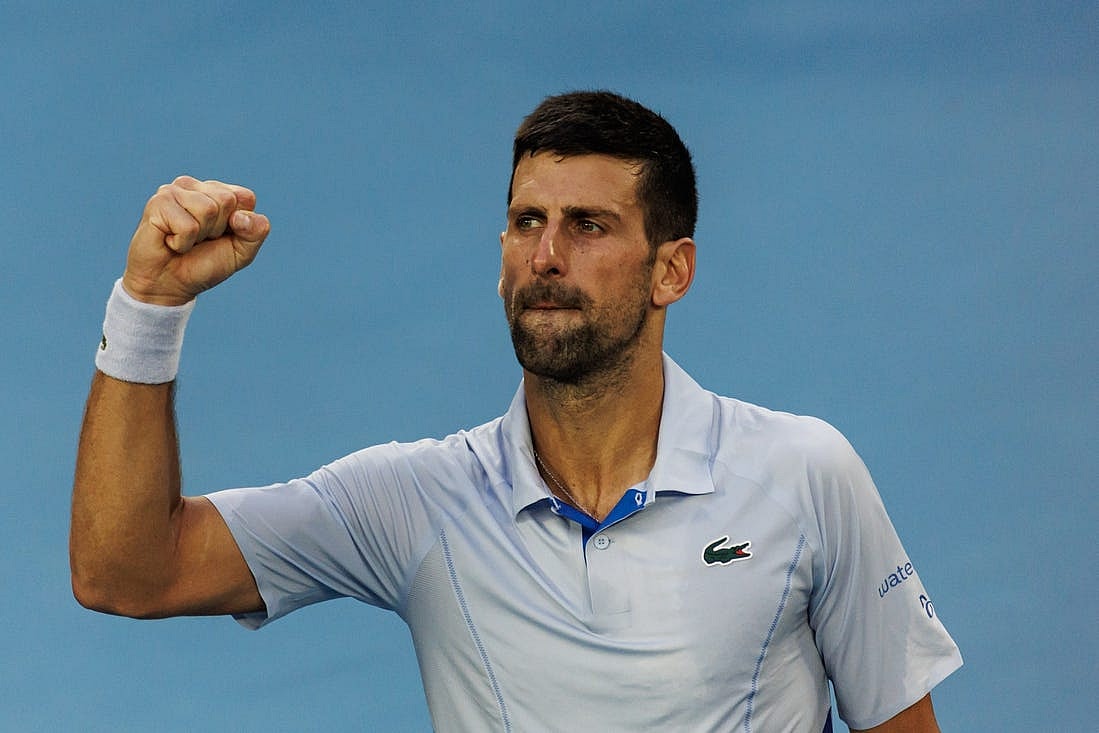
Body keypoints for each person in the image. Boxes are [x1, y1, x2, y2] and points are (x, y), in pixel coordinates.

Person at [71, 91, 962, 732]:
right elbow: (127, 571)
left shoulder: (806, 474)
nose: (544, 255)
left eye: (588, 226)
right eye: (525, 220)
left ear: (671, 270)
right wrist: (148, 308)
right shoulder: (413, 501)